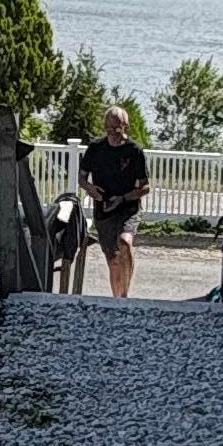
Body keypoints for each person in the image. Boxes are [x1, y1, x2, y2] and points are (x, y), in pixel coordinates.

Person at [78, 100, 151, 299]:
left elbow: (145, 186)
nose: (113, 132)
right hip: (104, 210)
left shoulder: (134, 151)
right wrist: (91, 189)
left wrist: (123, 198)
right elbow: (82, 178)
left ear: (125, 126)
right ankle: (116, 299)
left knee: (125, 242)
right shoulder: (95, 148)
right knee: (113, 260)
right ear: (105, 127)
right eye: (109, 128)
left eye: (117, 128)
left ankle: (125, 295)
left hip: (128, 207)